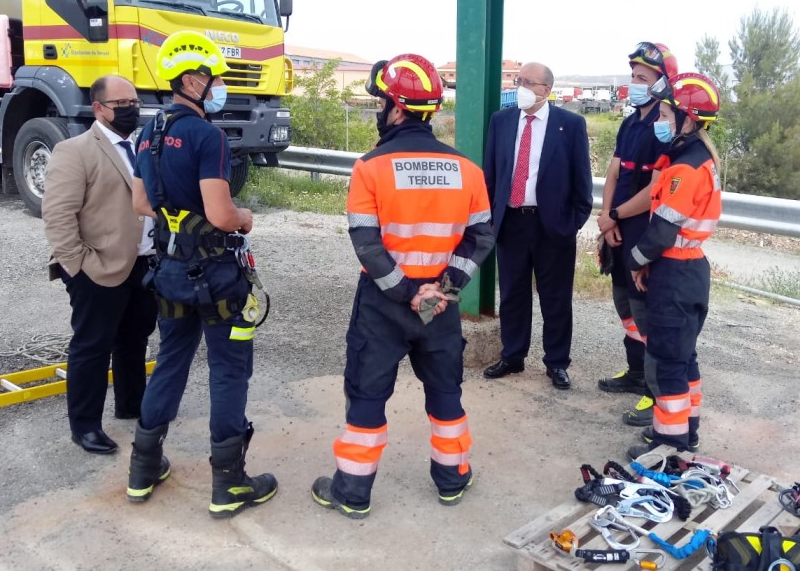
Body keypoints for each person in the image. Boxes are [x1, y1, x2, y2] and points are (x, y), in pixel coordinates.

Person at [311, 54, 494, 519]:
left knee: (368, 393)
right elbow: (480, 237)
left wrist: (404, 292)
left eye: (381, 103)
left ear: (396, 107)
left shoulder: (370, 167)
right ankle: (452, 479)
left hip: (384, 303)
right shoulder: (467, 170)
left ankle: (353, 491)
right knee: (446, 393)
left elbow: (366, 244)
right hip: (441, 304)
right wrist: (445, 288)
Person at [126, 31, 276, 518]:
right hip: (216, 277)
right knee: (229, 371)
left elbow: (141, 203)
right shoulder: (205, 134)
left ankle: (143, 468)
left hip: (169, 272)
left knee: (171, 360)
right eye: (213, 80)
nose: (217, 89)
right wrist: (244, 217)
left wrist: (179, 222)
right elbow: (221, 213)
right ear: (192, 79)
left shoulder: (145, 132)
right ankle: (229, 483)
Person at [43, 74, 156, 455]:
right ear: (98, 108)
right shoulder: (75, 151)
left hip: (142, 265)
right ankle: (86, 426)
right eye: (121, 105)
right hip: (96, 267)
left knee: (134, 339)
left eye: (134, 103)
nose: (131, 110)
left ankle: (131, 405)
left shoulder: (140, 146)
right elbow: (58, 215)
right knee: (92, 347)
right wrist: (77, 265)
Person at [624, 72, 722, 459]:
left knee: (666, 362)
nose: (660, 120)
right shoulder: (696, 157)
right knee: (683, 358)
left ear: (688, 118)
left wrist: (634, 262)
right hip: (691, 271)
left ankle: (669, 443)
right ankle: (689, 430)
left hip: (675, 273)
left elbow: (662, 232)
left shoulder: (685, 169)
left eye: (665, 113)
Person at [481, 62, 593, 390]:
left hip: (552, 227)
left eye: (528, 82)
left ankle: (556, 363)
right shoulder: (501, 121)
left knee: (555, 299)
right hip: (512, 222)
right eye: (519, 81)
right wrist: (490, 216)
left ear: (546, 89)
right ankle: (512, 356)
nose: (521, 87)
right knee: (513, 295)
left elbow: (582, 185)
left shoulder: (569, 125)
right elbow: (491, 175)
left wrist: (569, 225)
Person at [595, 42, 677, 425]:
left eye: (642, 78)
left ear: (662, 83)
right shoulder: (629, 123)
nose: (634, 84)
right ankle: (635, 374)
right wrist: (606, 219)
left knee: (646, 316)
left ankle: (654, 392)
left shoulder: (663, 130)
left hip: (642, 231)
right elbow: (614, 173)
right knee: (625, 307)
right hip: (618, 227)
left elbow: (655, 190)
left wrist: (614, 215)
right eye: (632, 77)